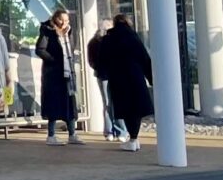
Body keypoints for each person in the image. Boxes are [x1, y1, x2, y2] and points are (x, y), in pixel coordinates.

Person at [88, 11, 156, 153]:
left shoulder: (109, 38)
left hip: (118, 78)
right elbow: (144, 57)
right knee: (136, 109)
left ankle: (132, 139)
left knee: (124, 109)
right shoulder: (133, 37)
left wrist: (102, 74)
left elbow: (102, 59)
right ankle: (134, 138)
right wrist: (150, 77)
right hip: (136, 77)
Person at [36, 8, 78, 143]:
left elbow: (71, 48)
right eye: (62, 19)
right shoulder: (48, 31)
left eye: (67, 20)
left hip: (67, 74)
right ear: (56, 19)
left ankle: (72, 134)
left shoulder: (69, 32)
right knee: (54, 104)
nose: (65, 22)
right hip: (54, 75)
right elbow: (40, 49)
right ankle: (51, 135)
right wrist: (53, 60)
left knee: (70, 104)